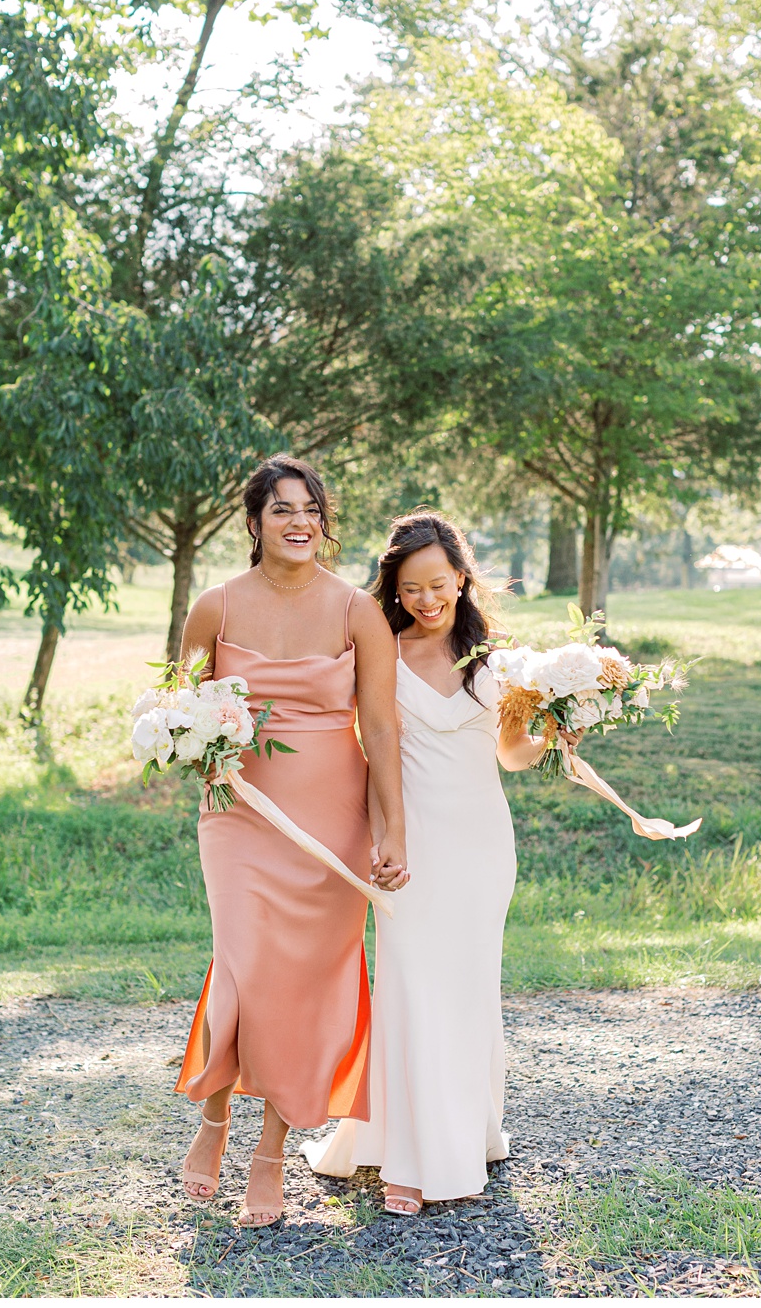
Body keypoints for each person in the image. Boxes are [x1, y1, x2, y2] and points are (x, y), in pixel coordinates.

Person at [170, 455, 409, 1227]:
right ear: (253, 522)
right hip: (238, 816)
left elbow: (379, 727)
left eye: (310, 509)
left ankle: (269, 1153)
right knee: (243, 964)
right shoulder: (214, 608)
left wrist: (391, 828)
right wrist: (200, 748)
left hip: (330, 821)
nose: (299, 521)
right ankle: (214, 1120)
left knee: (301, 983)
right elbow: (178, 716)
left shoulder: (356, 613)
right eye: (281, 509)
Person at [301, 511, 550, 1214]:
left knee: (468, 990)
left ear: (462, 577)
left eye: (438, 584)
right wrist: (387, 834)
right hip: (403, 843)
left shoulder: (497, 661)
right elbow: (373, 749)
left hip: (480, 845)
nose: (426, 600)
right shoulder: (380, 650)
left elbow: (511, 752)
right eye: (411, 588)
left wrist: (559, 734)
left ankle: (465, 1134)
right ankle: (406, 1156)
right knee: (410, 987)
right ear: (395, 589)